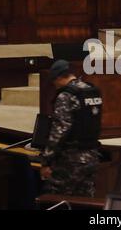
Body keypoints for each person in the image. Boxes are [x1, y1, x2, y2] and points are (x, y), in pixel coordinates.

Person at [40, 60, 103, 197]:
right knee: (85, 202)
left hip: (71, 160)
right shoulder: (92, 91)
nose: (54, 85)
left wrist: (46, 161)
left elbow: (59, 131)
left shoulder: (66, 95)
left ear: (59, 77)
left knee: (57, 200)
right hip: (92, 156)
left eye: (54, 81)